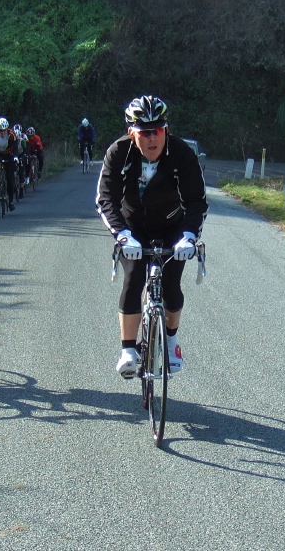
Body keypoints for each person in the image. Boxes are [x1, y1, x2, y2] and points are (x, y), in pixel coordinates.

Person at [96, 95, 207, 377]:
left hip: (173, 227)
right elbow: (106, 198)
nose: (152, 139)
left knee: (170, 286)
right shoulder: (118, 153)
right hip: (133, 227)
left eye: (157, 131)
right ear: (132, 133)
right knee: (133, 278)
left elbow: (197, 201)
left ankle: (171, 341)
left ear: (166, 130)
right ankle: (128, 351)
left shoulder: (182, 153)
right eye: (145, 133)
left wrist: (189, 237)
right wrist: (122, 234)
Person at [0, 117, 18, 211]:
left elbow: (16, 147)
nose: (3, 133)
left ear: (7, 129)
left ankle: (11, 201)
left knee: (10, 179)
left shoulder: (12, 134)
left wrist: (16, 157)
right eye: (1, 131)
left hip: (9, 154)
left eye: (5, 131)